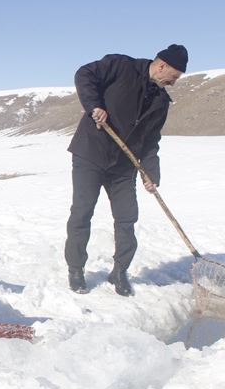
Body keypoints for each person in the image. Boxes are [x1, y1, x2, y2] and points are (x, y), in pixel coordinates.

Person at [64, 44, 188, 296]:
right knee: (82, 212)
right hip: (91, 154)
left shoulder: (161, 101)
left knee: (126, 217)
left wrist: (151, 173)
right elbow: (84, 74)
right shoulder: (120, 66)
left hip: (123, 166)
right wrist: (94, 105)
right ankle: (76, 269)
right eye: (174, 76)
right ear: (162, 65)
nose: (173, 83)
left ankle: (119, 271)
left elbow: (151, 140)